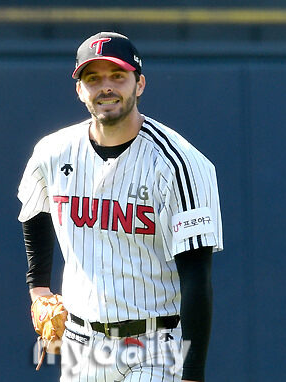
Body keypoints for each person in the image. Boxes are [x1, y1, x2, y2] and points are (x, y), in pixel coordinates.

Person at [18, 31, 223, 382]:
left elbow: (197, 276)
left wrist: (193, 375)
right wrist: (38, 287)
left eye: (117, 76)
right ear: (79, 90)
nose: (106, 87)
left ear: (139, 84)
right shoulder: (53, 152)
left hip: (157, 344)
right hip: (82, 344)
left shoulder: (179, 164)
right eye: (93, 78)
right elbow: (34, 207)